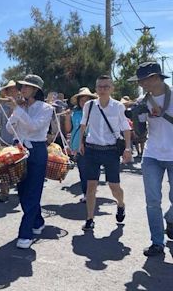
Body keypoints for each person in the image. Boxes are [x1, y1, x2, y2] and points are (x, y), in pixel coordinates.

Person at [127, 62, 173, 256]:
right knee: (153, 201)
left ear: (155, 78)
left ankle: (170, 219)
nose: (141, 84)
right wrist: (137, 118)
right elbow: (141, 134)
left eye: (143, 80)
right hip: (152, 154)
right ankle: (157, 242)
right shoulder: (142, 100)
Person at [79, 75, 132, 231]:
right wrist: (81, 143)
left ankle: (121, 204)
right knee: (91, 186)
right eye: (100, 87)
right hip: (92, 149)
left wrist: (128, 147)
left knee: (114, 187)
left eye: (106, 86)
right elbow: (83, 124)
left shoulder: (118, 107)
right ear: (96, 89)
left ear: (112, 88)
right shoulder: (89, 105)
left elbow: (126, 128)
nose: (103, 89)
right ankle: (89, 219)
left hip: (111, 151)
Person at [6, 74, 53, 249]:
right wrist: (16, 111)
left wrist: (18, 111)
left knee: (33, 191)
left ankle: (25, 233)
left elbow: (34, 126)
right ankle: (38, 221)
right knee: (23, 191)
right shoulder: (21, 107)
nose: (22, 89)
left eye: (26, 87)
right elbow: (9, 129)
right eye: (22, 87)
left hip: (37, 151)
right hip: (20, 150)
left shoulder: (46, 108)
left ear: (36, 90)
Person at [69, 87, 98, 203]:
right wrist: (66, 117)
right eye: (82, 100)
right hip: (78, 144)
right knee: (82, 170)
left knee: (93, 170)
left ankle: (91, 192)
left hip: (94, 143)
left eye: (87, 100)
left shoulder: (96, 112)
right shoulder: (75, 114)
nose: (84, 102)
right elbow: (69, 129)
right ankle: (86, 193)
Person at [0, 80, 19, 202]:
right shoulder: (1, 105)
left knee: (18, 168)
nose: (13, 92)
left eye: (15, 89)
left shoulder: (22, 105)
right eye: (10, 90)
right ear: (6, 92)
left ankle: (21, 190)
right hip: (5, 140)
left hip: (18, 142)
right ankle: (3, 192)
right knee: (3, 168)